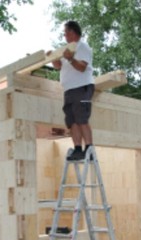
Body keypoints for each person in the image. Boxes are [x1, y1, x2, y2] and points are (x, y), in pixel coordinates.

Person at [50, 21, 95, 161]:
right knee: (71, 121)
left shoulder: (82, 47)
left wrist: (70, 59)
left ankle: (89, 149)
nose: (64, 36)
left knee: (81, 118)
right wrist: (53, 58)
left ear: (72, 32)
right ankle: (78, 149)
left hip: (82, 87)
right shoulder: (67, 50)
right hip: (69, 90)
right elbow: (58, 66)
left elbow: (81, 67)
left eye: (65, 33)